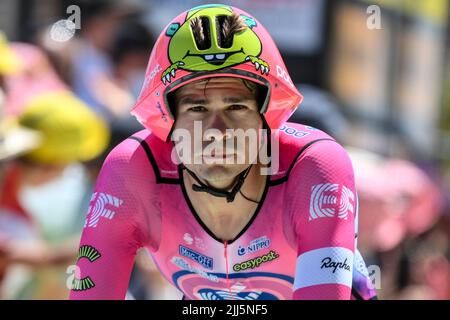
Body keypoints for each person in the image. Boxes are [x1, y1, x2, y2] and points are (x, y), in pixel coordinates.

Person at [70, 4, 377, 300]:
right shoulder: (133, 168)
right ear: (171, 122)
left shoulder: (314, 165)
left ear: (265, 116)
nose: (217, 132)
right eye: (198, 108)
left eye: (236, 107)